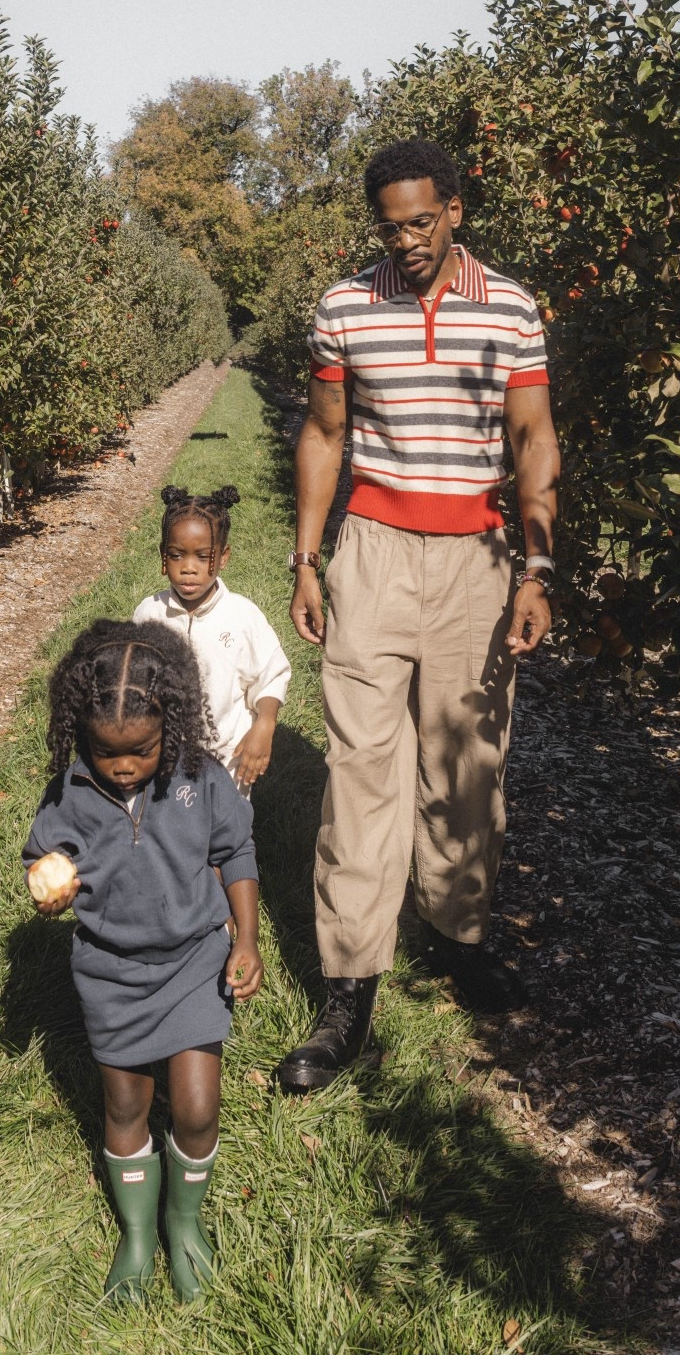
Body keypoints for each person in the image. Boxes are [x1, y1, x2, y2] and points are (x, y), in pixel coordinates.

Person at [275, 137, 560, 1094]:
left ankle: (458, 935)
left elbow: (531, 436)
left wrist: (537, 565)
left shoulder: (512, 308)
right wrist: (308, 560)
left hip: (479, 559)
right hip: (376, 553)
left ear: (456, 210)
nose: (407, 241)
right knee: (361, 769)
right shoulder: (346, 308)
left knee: (467, 764)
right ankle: (349, 983)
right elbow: (324, 433)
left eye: (423, 222)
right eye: (390, 227)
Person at [23, 619, 262, 1303]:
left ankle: (183, 1225)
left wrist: (245, 939)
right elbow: (42, 858)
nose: (123, 767)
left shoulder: (199, 777)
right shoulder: (70, 791)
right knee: (125, 1106)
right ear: (81, 735)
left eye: (141, 751)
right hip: (110, 972)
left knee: (194, 1107)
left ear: (173, 726)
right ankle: (135, 1236)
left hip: (192, 961)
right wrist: (49, 884)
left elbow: (235, 855)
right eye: (105, 753)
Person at [130, 484, 291, 792]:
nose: (189, 568)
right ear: (164, 557)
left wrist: (265, 725)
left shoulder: (242, 616)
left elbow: (272, 676)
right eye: (177, 555)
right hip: (159, 758)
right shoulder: (149, 613)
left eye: (203, 557)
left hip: (227, 762)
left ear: (223, 557)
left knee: (222, 835)